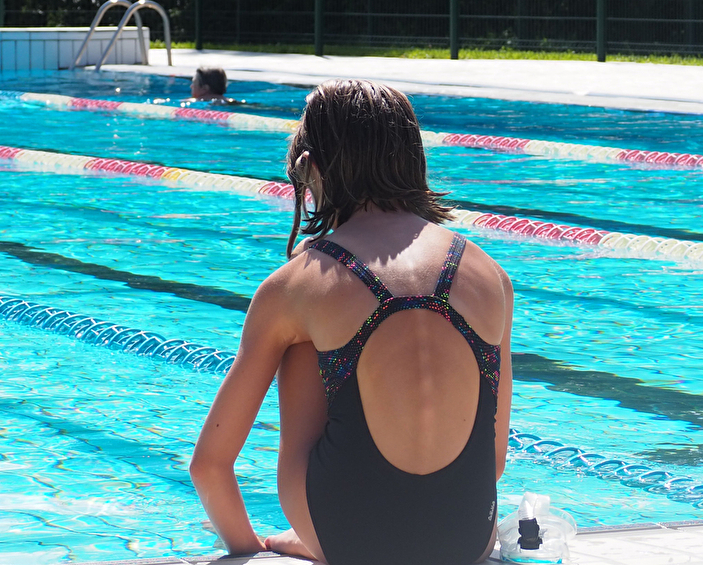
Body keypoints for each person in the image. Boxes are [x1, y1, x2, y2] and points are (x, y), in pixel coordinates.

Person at [191, 80, 514, 565]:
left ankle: (314, 538)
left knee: (303, 337)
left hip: (349, 540)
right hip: (467, 538)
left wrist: (247, 552)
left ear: (312, 169)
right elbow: (494, 459)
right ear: (412, 161)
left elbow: (210, 466)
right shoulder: (491, 275)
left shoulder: (295, 284)